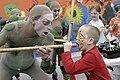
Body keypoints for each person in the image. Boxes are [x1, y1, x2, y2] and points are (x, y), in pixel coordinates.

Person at [0, 5, 54, 80]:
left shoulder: (47, 38)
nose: (50, 27)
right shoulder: (11, 29)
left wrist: (46, 59)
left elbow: (49, 70)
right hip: (7, 65)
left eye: (51, 22)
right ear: (33, 20)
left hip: (30, 64)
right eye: (45, 22)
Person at [45, 0, 68, 80]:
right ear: (49, 10)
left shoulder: (61, 20)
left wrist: (69, 27)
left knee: (63, 62)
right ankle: (54, 73)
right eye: (54, 11)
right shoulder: (46, 21)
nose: (57, 12)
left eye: (58, 10)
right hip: (51, 44)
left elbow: (65, 31)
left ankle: (66, 76)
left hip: (60, 44)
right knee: (52, 62)